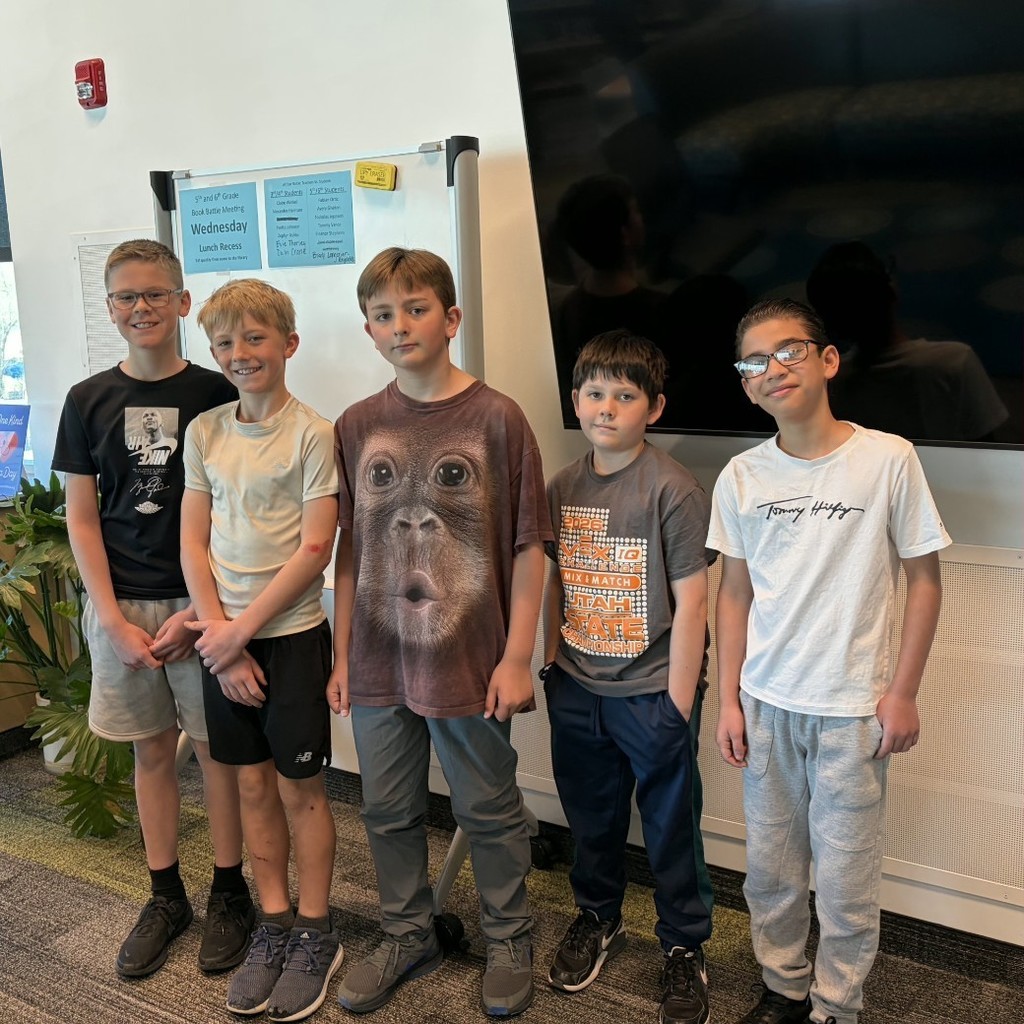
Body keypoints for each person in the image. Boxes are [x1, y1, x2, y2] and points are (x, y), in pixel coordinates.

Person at [709, 298, 949, 1024]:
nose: (772, 369)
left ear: (827, 359)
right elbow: (733, 596)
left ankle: (836, 1005)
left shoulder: (887, 459)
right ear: (745, 385)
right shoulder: (741, 476)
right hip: (767, 706)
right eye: (754, 362)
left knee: (845, 880)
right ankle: (783, 988)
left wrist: (902, 692)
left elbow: (926, 580)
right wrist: (727, 700)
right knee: (771, 871)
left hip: (852, 711)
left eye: (788, 351)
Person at [329, 247, 552, 1018]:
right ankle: (406, 932)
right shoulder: (357, 425)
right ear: (368, 329)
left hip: (470, 655)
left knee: (487, 809)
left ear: (451, 318)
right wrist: (340, 656)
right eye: (384, 314)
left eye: (416, 308)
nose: (401, 325)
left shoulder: (496, 418)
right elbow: (349, 549)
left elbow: (530, 545)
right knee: (385, 810)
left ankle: (511, 936)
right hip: (378, 656)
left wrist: (519, 654)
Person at [52, 239, 253, 978]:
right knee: (149, 753)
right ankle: (166, 893)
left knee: (216, 754)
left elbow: (235, 511)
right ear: (110, 308)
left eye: (155, 295)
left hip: (205, 605)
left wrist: (203, 612)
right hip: (123, 607)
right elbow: (81, 517)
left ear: (182, 302)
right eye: (125, 298)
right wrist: (110, 619)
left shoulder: (217, 393)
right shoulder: (87, 401)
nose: (141, 308)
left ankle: (230, 890)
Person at [180, 278, 341, 1022]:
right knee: (247, 788)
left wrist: (240, 635)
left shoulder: (313, 432)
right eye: (225, 343)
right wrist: (220, 639)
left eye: (255, 339)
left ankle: (315, 930)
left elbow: (314, 548)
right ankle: (272, 922)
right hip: (225, 643)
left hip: (291, 640)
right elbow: (193, 539)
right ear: (211, 351)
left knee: (300, 789)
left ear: (288, 344)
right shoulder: (206, 431)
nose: (240, 354)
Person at [541, 329, 714, 1024]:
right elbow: (551, 577)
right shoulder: (562, 484)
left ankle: (684, 946)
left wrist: (677, 700)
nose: (606, 407)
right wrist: (551, 659)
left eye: (624, 395)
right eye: (594, 393)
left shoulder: (672, 487)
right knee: (592, 818)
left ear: (654, 407)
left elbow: (695, 598)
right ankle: (597, 915)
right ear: (576, 401)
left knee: (672, 826)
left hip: (653, 693)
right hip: (578, 689)